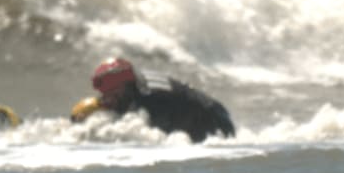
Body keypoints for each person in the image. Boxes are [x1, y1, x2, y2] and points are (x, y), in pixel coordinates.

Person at [72, 57, 235, 143]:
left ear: (124, 86)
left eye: (112, 94)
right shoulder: (135, 82)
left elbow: (156, 140)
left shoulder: (152, 101)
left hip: (214, 123)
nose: (106, 99)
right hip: (205, 110)